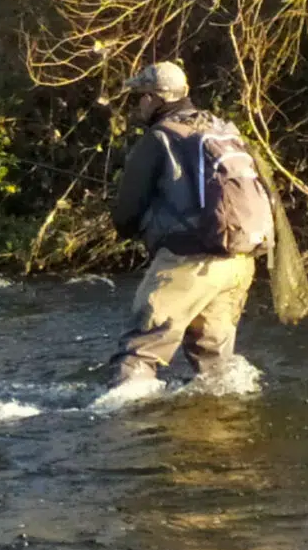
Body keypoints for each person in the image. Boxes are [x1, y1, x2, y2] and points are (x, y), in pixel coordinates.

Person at [102, 61, 258, 397]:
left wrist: (134, 225)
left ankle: (126, 431)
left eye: (140, 97)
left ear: (153, 99)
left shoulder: (158, 139)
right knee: (216, 371)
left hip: (188, 264)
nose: (137, 105)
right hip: (238, 261)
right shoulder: (222, 129)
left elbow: (126, 215)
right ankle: (221, 433)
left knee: (138, 353)